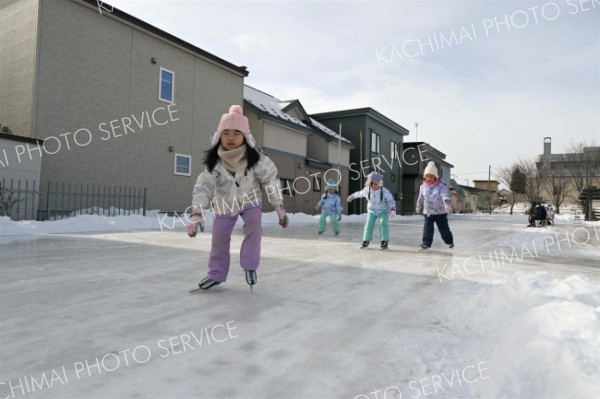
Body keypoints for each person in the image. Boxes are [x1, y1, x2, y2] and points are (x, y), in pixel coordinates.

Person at [186, 105, 288, 290]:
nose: (231, 138)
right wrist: (197, 211)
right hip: (224, 204)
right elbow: (203, 186)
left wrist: (278, 207)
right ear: (219, 136)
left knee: (254, 227)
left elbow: (270, 181)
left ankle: (249, 266)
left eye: (236, 133)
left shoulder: (256, 160)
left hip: (250, 201)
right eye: (226, 133)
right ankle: (216, 274)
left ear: (245, 137)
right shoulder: (215, 163)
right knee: (219, 237)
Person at [347, 172, 396, 250]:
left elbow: (390, 199)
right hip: (372, 211)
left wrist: (392, 208)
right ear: (370, 184)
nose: (377, 186)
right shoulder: (367, 190)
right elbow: (360, 193)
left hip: (383, 211)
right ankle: (366, 240)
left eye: (378, 184)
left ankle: (384, 241)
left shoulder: (384, 190)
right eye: (375, 184)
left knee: (383, 223)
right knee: (369, 224)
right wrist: (352, 196)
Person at [415, 161, 454, 249]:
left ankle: (449, 241)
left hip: (440, 212)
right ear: (425, 176)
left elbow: (445, 196)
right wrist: (418, 206)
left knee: (444, 229)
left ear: (435, 177)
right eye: (427, 176)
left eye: (431, 176)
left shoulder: (441, 186)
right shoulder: (422, 187)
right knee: (427, 229)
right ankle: (426, 243)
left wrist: (447, 205)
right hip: (428, 212)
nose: (429, 178)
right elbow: (421, 198)